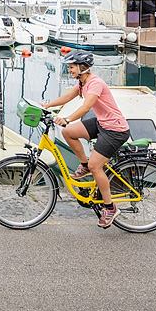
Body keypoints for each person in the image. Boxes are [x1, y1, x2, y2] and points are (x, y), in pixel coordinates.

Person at [42, 50, 131, 228]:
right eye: (69, 67)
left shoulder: (95, 83)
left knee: (95, 166)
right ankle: (83, 165)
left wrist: (67, 119)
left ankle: (110, 207)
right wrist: (47, 105)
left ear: (82, 67)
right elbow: (68, 96)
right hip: (102, 123)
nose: (69, 70)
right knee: (68, 133)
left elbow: (86, 106)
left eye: (72, 67)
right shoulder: (82, 82)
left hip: (115, 129)